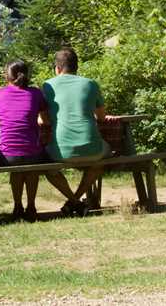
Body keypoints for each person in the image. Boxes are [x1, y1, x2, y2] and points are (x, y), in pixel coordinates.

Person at [41, 47, 111, 216]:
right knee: (103, 157)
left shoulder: (48, 85)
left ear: (57, 68)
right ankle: (77, 201)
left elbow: (45, 120)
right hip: (92, 149)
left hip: (61, 152)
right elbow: (101, 117)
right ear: (76, 67)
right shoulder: (90, 83)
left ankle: (73, 201)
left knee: (48, 169)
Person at [0, 59, 48, 222]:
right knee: (32, 169)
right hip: (32, 151)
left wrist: (2, 121)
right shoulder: (36, 93)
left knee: (16, 169)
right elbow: (45, 120)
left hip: (7, 154)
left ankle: (17, 206)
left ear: (7, 76)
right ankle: (31, 207)